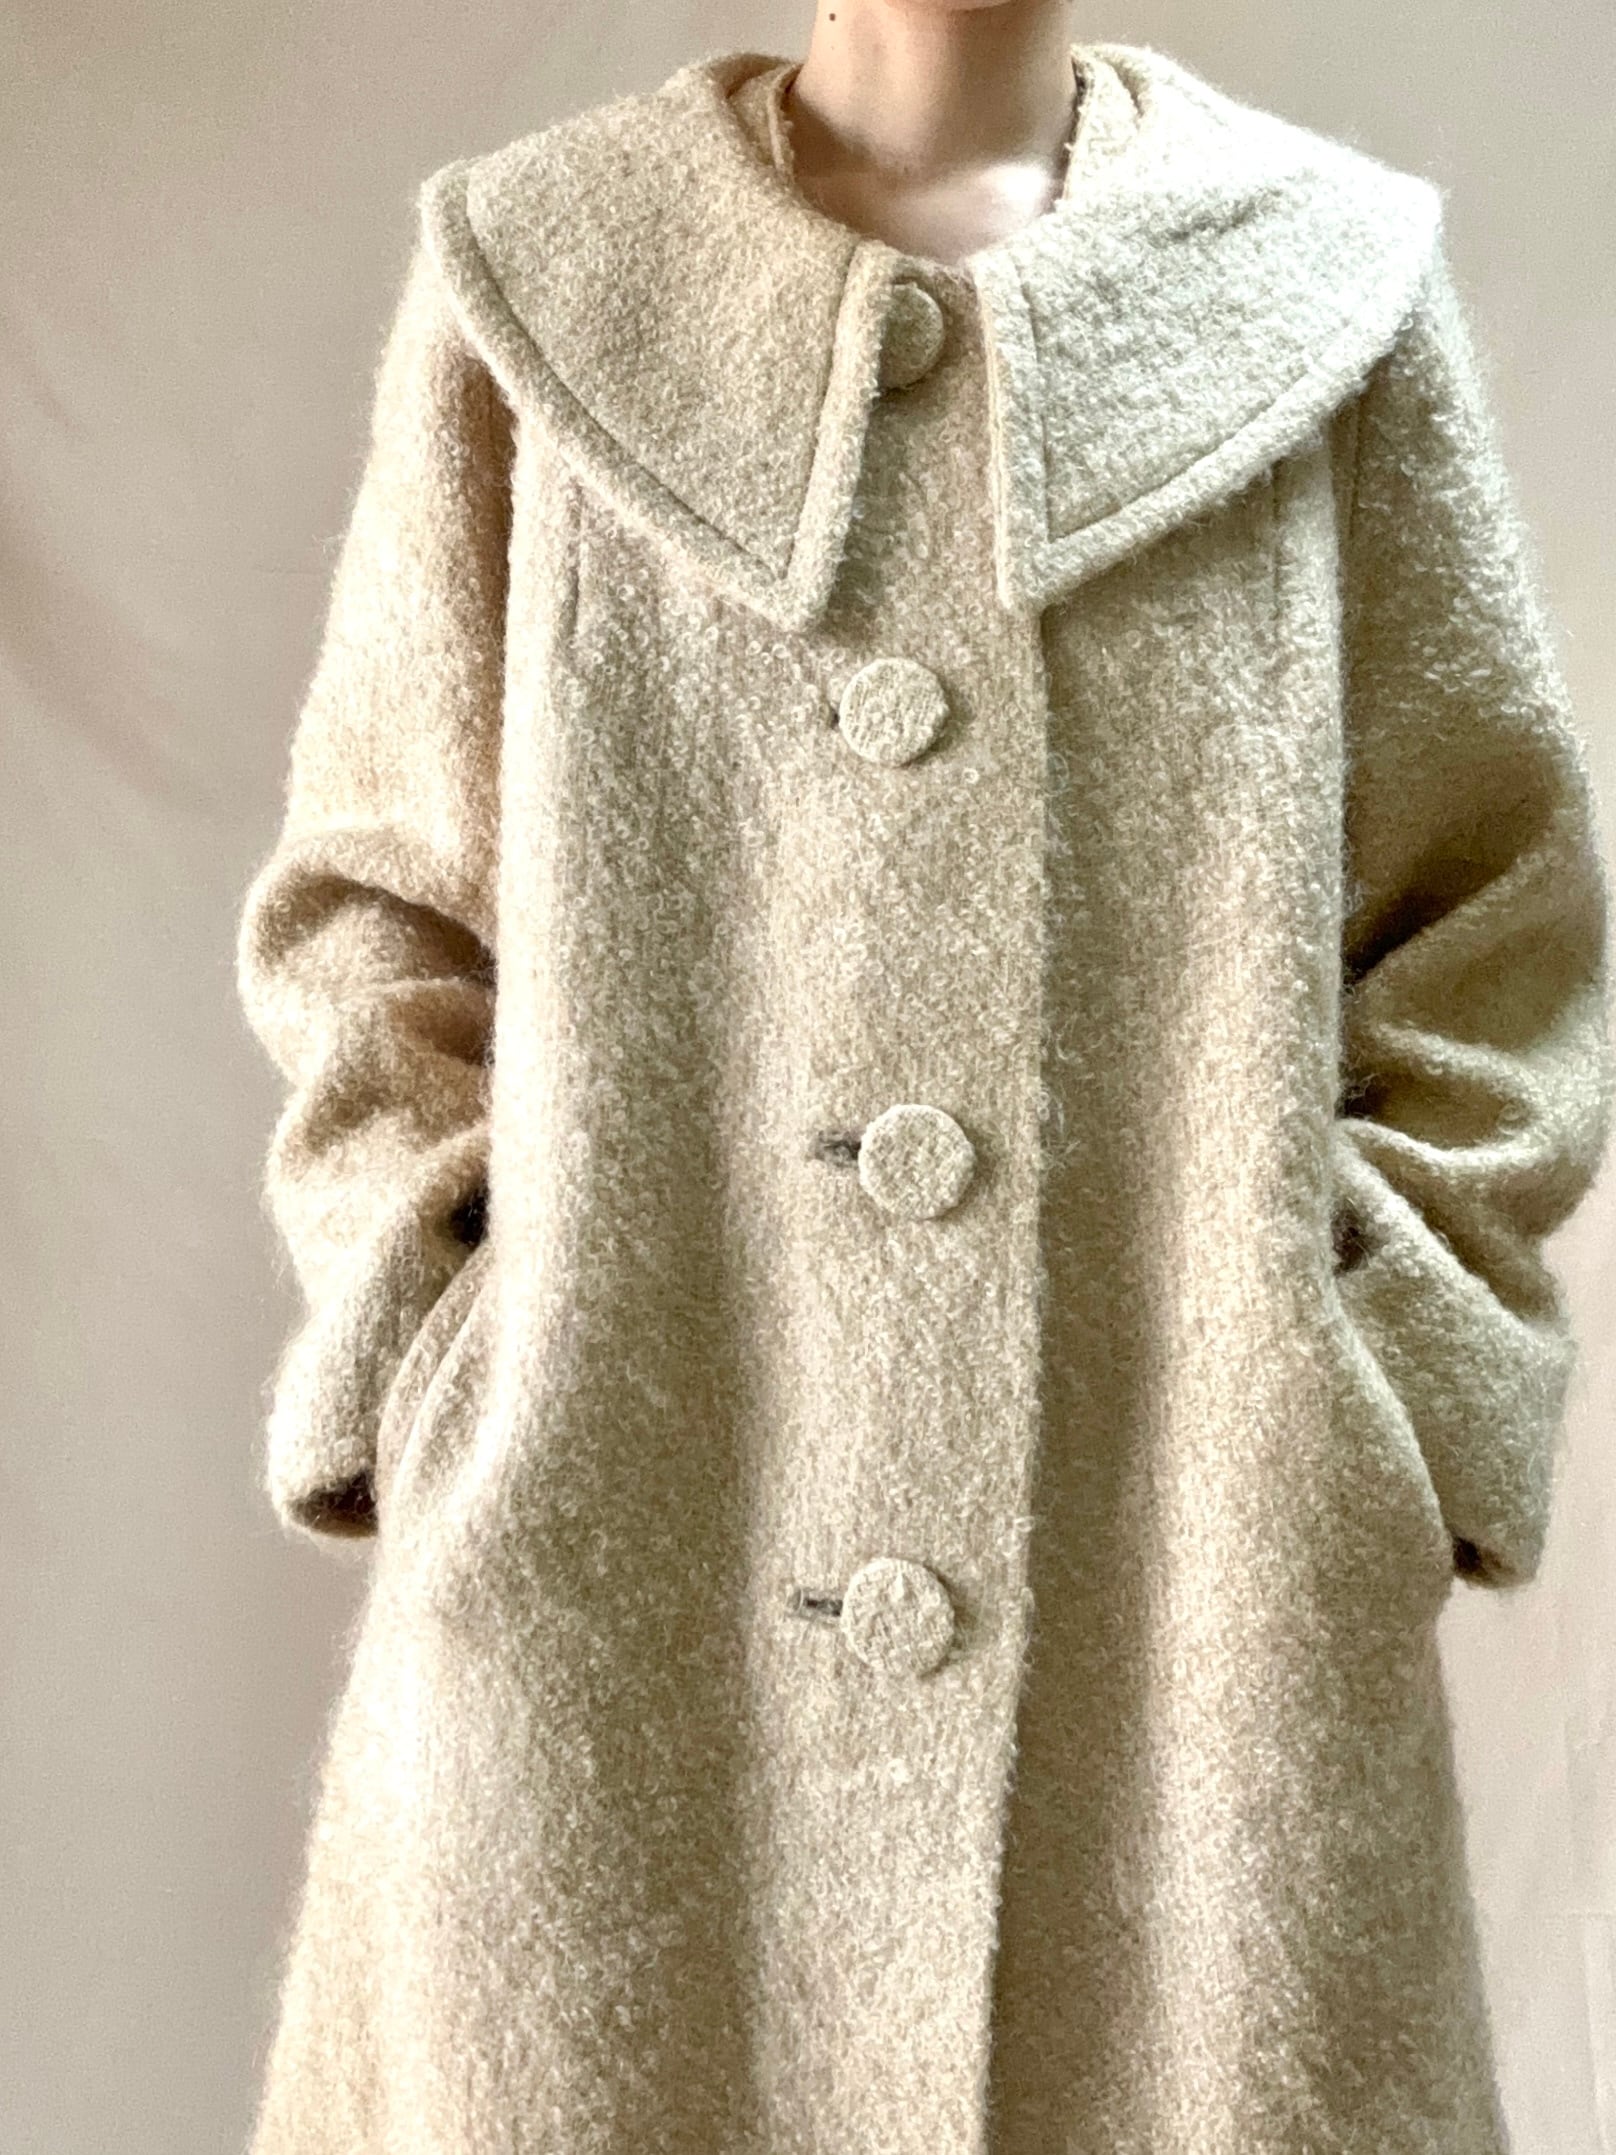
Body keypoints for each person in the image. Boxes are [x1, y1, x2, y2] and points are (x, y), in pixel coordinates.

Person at [234, 8, 1614, 2151]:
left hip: (1194, 1635)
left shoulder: (1313, 287)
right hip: (613, 1609)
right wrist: (453, 1358)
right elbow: (379, 925)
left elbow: (1491, 926)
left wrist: (1369, 1399)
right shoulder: (545, 277)